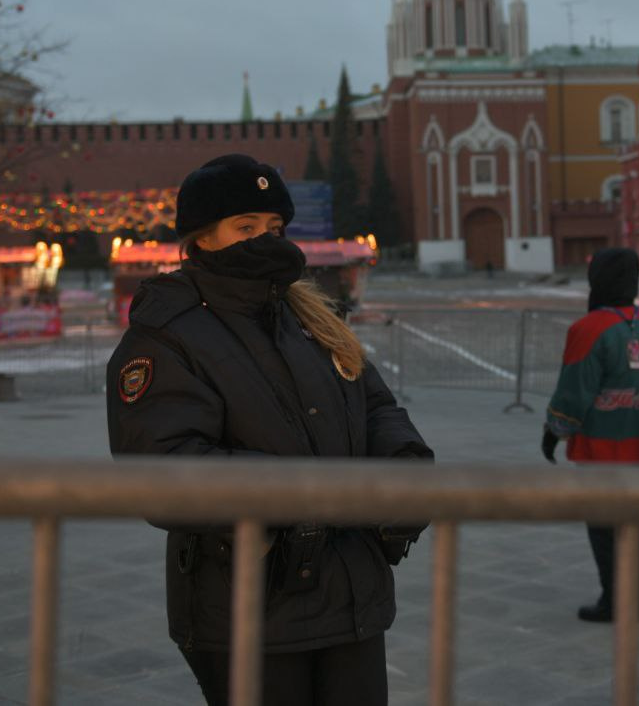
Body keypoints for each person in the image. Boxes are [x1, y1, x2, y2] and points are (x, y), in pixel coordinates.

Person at [106, 154, 433, 706]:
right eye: (246, 228)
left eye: (275, 228)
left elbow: (373, 404)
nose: (266, 240)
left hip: (350, 593)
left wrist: (405, 467)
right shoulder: (167, 335)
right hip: (247, 606)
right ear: (203, 238)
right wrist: (310, 494)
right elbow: (164, 469)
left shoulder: (310, 317)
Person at [540, 248, 639, 622]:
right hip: (638, 442)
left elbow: (574, 391)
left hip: (599, 449)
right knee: (634, 526)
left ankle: (615, 600)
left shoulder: (589, 329)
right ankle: (634, 598)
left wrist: (554, 430)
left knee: (604, 529)